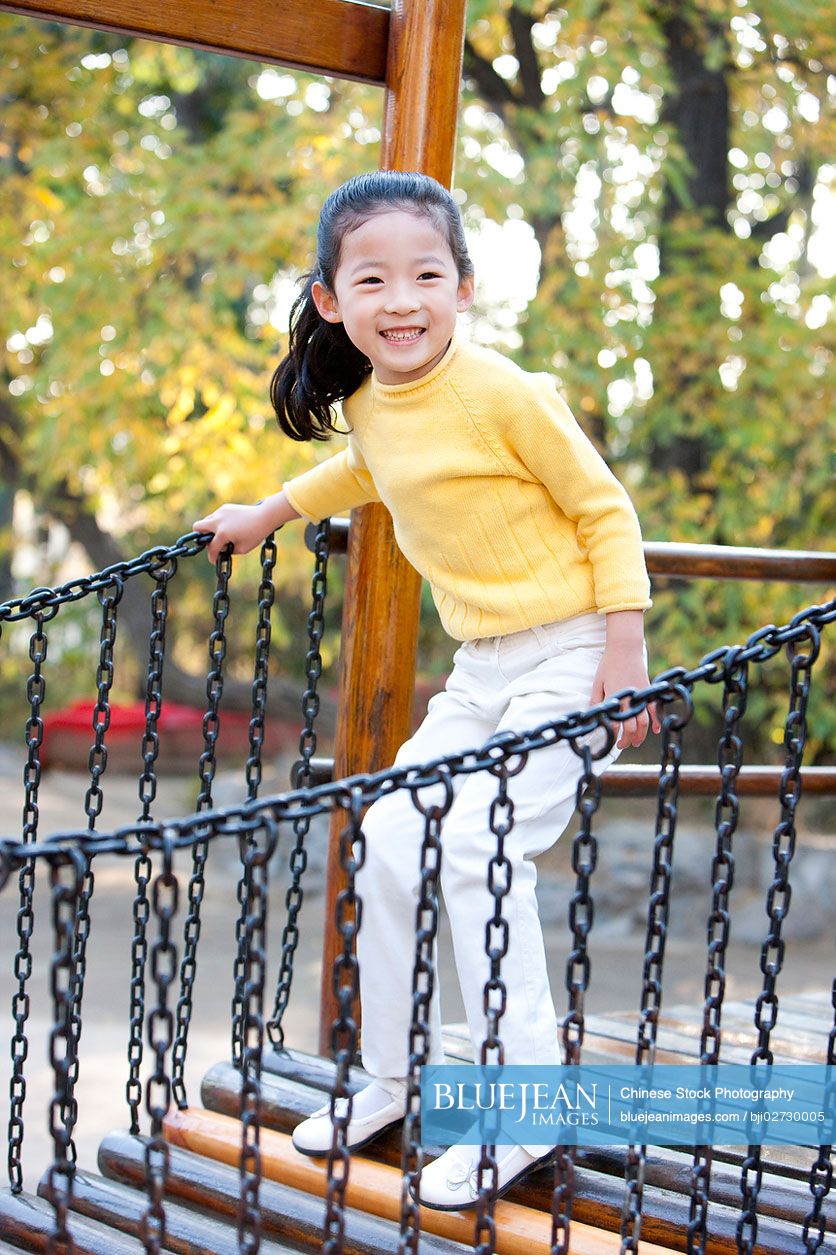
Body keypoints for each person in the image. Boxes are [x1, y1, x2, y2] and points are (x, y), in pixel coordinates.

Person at [194, 170, 659, 1209]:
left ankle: (520, 1113)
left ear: (463, 287)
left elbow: (605, 511)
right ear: (330, 298)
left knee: (476, 845)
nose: (399, 299)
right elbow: (363, 469)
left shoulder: (500, 390)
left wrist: (622, 655)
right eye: (372, 278)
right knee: (392, 836)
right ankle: (398, 1078)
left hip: (572, 652)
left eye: (425, 275)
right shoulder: (372, 399)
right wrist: (265, 509)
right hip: (482, 666)